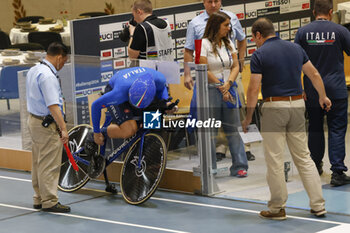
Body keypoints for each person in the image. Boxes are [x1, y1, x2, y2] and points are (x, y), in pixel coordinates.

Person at [242, 18, 331, 219]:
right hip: (298, 105)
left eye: (254, 38)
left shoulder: (259, 54)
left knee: (275, 160)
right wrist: (323, 96)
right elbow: (314, 74)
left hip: (274, 107)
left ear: (258, 35)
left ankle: (277, 208)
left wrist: (248, 117)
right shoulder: (295, 49)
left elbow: (254, 88)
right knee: (304, 157)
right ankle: (318, 205)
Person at [184, 0, 255, 162]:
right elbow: (188, 50)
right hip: (210, 79)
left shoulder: (231, 18)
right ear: (204, 3)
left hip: (231, 74)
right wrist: (187, 74)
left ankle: (246, 146)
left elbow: (242, 39)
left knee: (239, 108)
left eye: (216, 1)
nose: (214, 4)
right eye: (210, 1)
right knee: (214, 117)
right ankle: (220, 148)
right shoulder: (195, 24)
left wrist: (240, 63)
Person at [294, 0, 350, 186]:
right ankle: (337, 172)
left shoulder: (302, 32)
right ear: (331, 11)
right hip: (336, 89)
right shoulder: (340, 31)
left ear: (313, 12)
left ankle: (315, 166)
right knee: (337, 129)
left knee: (315, 128)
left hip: (311, 89)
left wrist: (300, 88)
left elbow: (295, 62)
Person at [86, 67, 177, 178]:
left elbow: (162, 91)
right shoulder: (118, 93)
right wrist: (96, 133)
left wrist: (167, 104)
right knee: (129, 130)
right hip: (120, 91)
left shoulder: (159, 79)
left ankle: (149, 163)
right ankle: (95, 133)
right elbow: (96, 105)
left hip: (143, 96)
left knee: (153, 124)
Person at [199, 12, 248, 177]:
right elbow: (203, 68)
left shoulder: (229, 44)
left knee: (233, 129)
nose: (229, 28)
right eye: (226, 25)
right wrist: (220, 86)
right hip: (211, 91)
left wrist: (228, 84)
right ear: (216, 26)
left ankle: (240, 166)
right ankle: (210, 168)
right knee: (210, 131)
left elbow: (235, 66)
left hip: (229, 88)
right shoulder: (203, 44)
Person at [26, 42, 70, 213]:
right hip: (46, 124)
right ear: (59, 57)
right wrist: (63, 128)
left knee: (37, 162)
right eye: (64, 62)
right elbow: (53, 106)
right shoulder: (48, 76)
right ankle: (50, 200)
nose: (63, 65)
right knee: (49, 164)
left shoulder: (34, 70)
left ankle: (39, 197)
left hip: (34, 120)